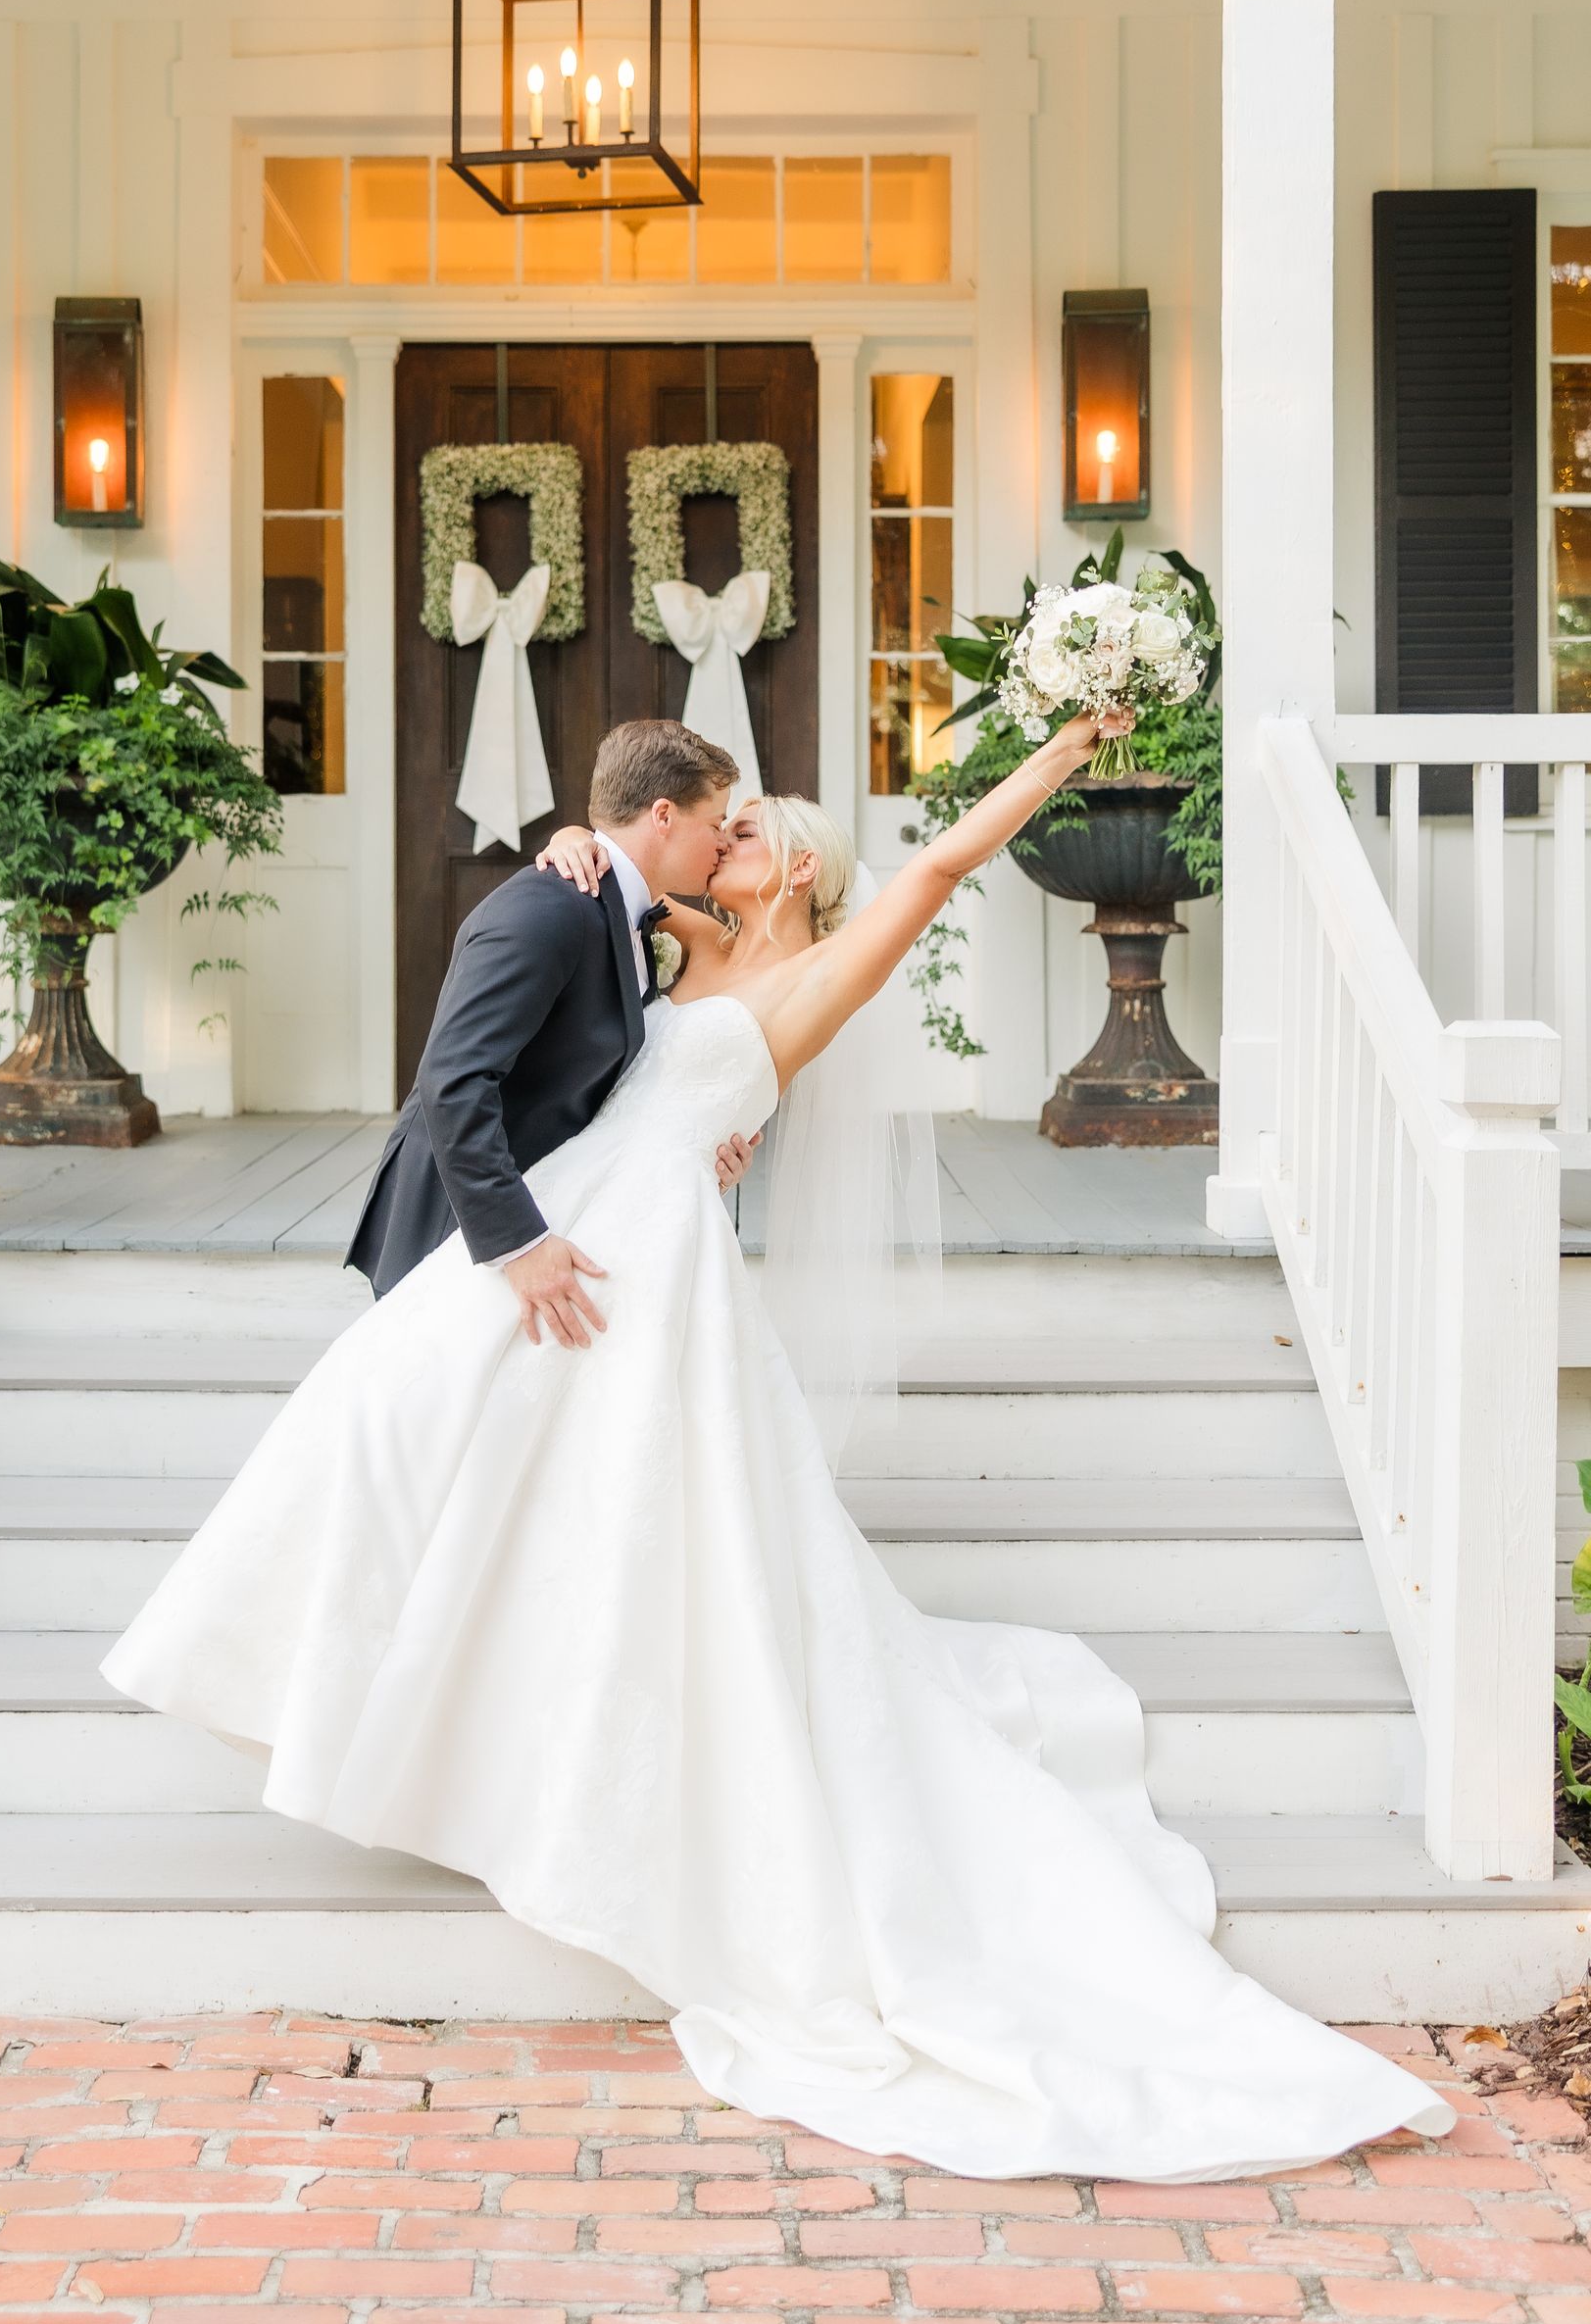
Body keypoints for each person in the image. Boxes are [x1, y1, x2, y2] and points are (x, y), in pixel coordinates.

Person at [103, 710, 1453, 2180]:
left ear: (797, 873)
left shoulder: (814, 966)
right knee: (413, 1437)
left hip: (644, 1262)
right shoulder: (663, 938)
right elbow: (605, 872)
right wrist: (570, 838)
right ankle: (343, 1691)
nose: (731, 838)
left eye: (755, 834)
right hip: (582, 1226)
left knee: (624, 1530)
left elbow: (937, 867)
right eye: (723, 824)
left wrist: (1060, 751)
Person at [346, 718, 758, 1333]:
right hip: (458, 1223)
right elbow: (453, 1079)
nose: (723, 842)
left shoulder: (633, 911)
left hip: (557, 1201)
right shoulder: (548, 909)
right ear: (664, 815)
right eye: (714, 822)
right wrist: (518, 1243)